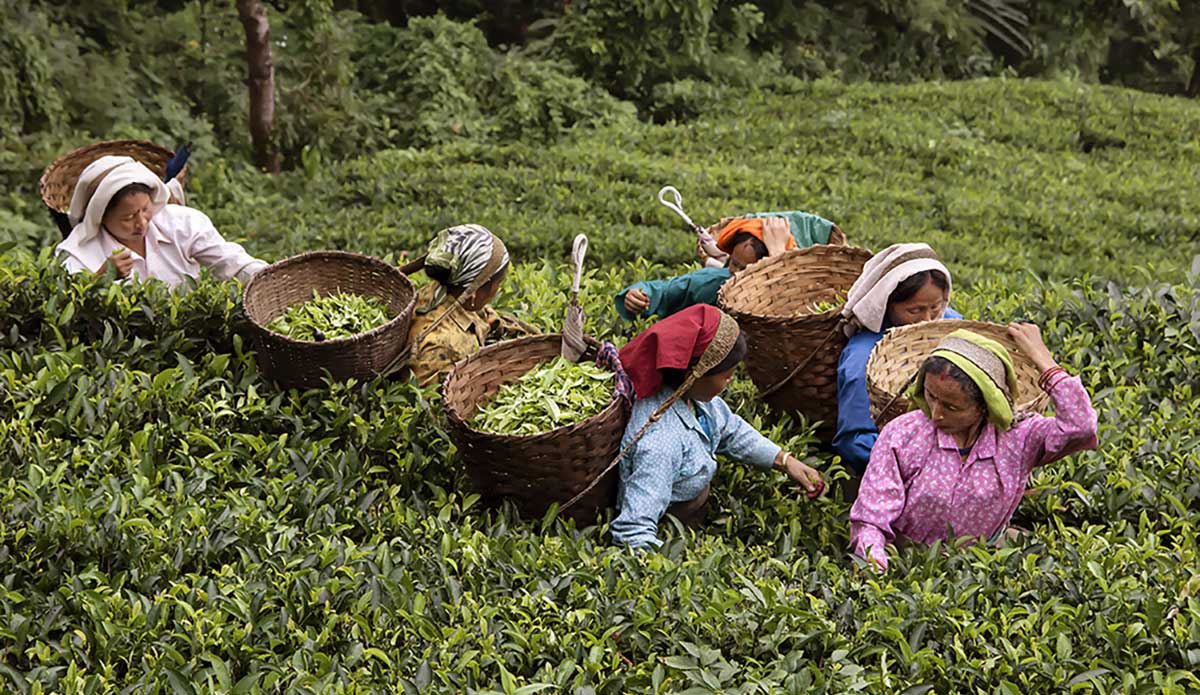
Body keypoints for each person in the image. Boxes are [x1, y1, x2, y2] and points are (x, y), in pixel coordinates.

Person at [849, 325, 1098, 571]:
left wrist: (1044, 360)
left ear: (985, 405)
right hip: (908, 563)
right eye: (930, 396)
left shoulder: (1019, 438)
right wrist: (876, 564)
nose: (936, 414)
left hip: (981, 566)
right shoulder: (903, 434)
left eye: (952, 407)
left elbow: (1081, 426)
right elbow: (871, 517)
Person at [611, 305, 826, 549]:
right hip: (670, 524)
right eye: (727, 376)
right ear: (694, 374)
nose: (730, 382)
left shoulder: (692, 397)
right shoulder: (661, 443)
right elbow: (633, 530)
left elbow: (732, 431)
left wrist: (785, 460)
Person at [833, 243, 963, 476]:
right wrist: (919, 468)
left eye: (935, 307)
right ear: (887, 303)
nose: (927, 320)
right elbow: (854, 441)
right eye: (914, 311)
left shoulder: (949, 323)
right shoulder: (864, 358)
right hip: (886, 474)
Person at [55, 155, 267, 287]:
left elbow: (231, 263)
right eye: (128, 217)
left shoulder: (181, 223)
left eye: (145, 209)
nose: (141, 223)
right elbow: (69, 308)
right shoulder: (78, 253)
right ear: (100, 216)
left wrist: (271, 279)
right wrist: (101, 278)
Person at [615, 211, 839, 321]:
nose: (735, 274)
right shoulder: (715, 283)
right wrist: (637, 296)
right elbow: (666, 291)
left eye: (745, 270)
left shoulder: (794, 295)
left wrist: (779, 252)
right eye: (734, 264)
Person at [404, 224, 535, 387]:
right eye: (498, 283)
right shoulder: (442, 346)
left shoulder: (446, 291)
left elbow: (487, 318)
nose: (498, 289)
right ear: (476, 288)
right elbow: (437, 405)